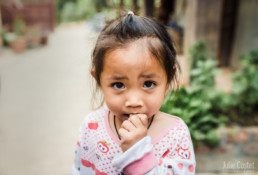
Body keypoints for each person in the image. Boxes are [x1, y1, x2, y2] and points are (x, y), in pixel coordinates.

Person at [71, 11, 196, 175]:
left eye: (149, 84)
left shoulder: (175, 135)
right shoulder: (92, 127)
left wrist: (138, 154)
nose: (134, 101)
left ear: (168, 79)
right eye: (118, 85)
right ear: (99, 80)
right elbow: (78, 170)